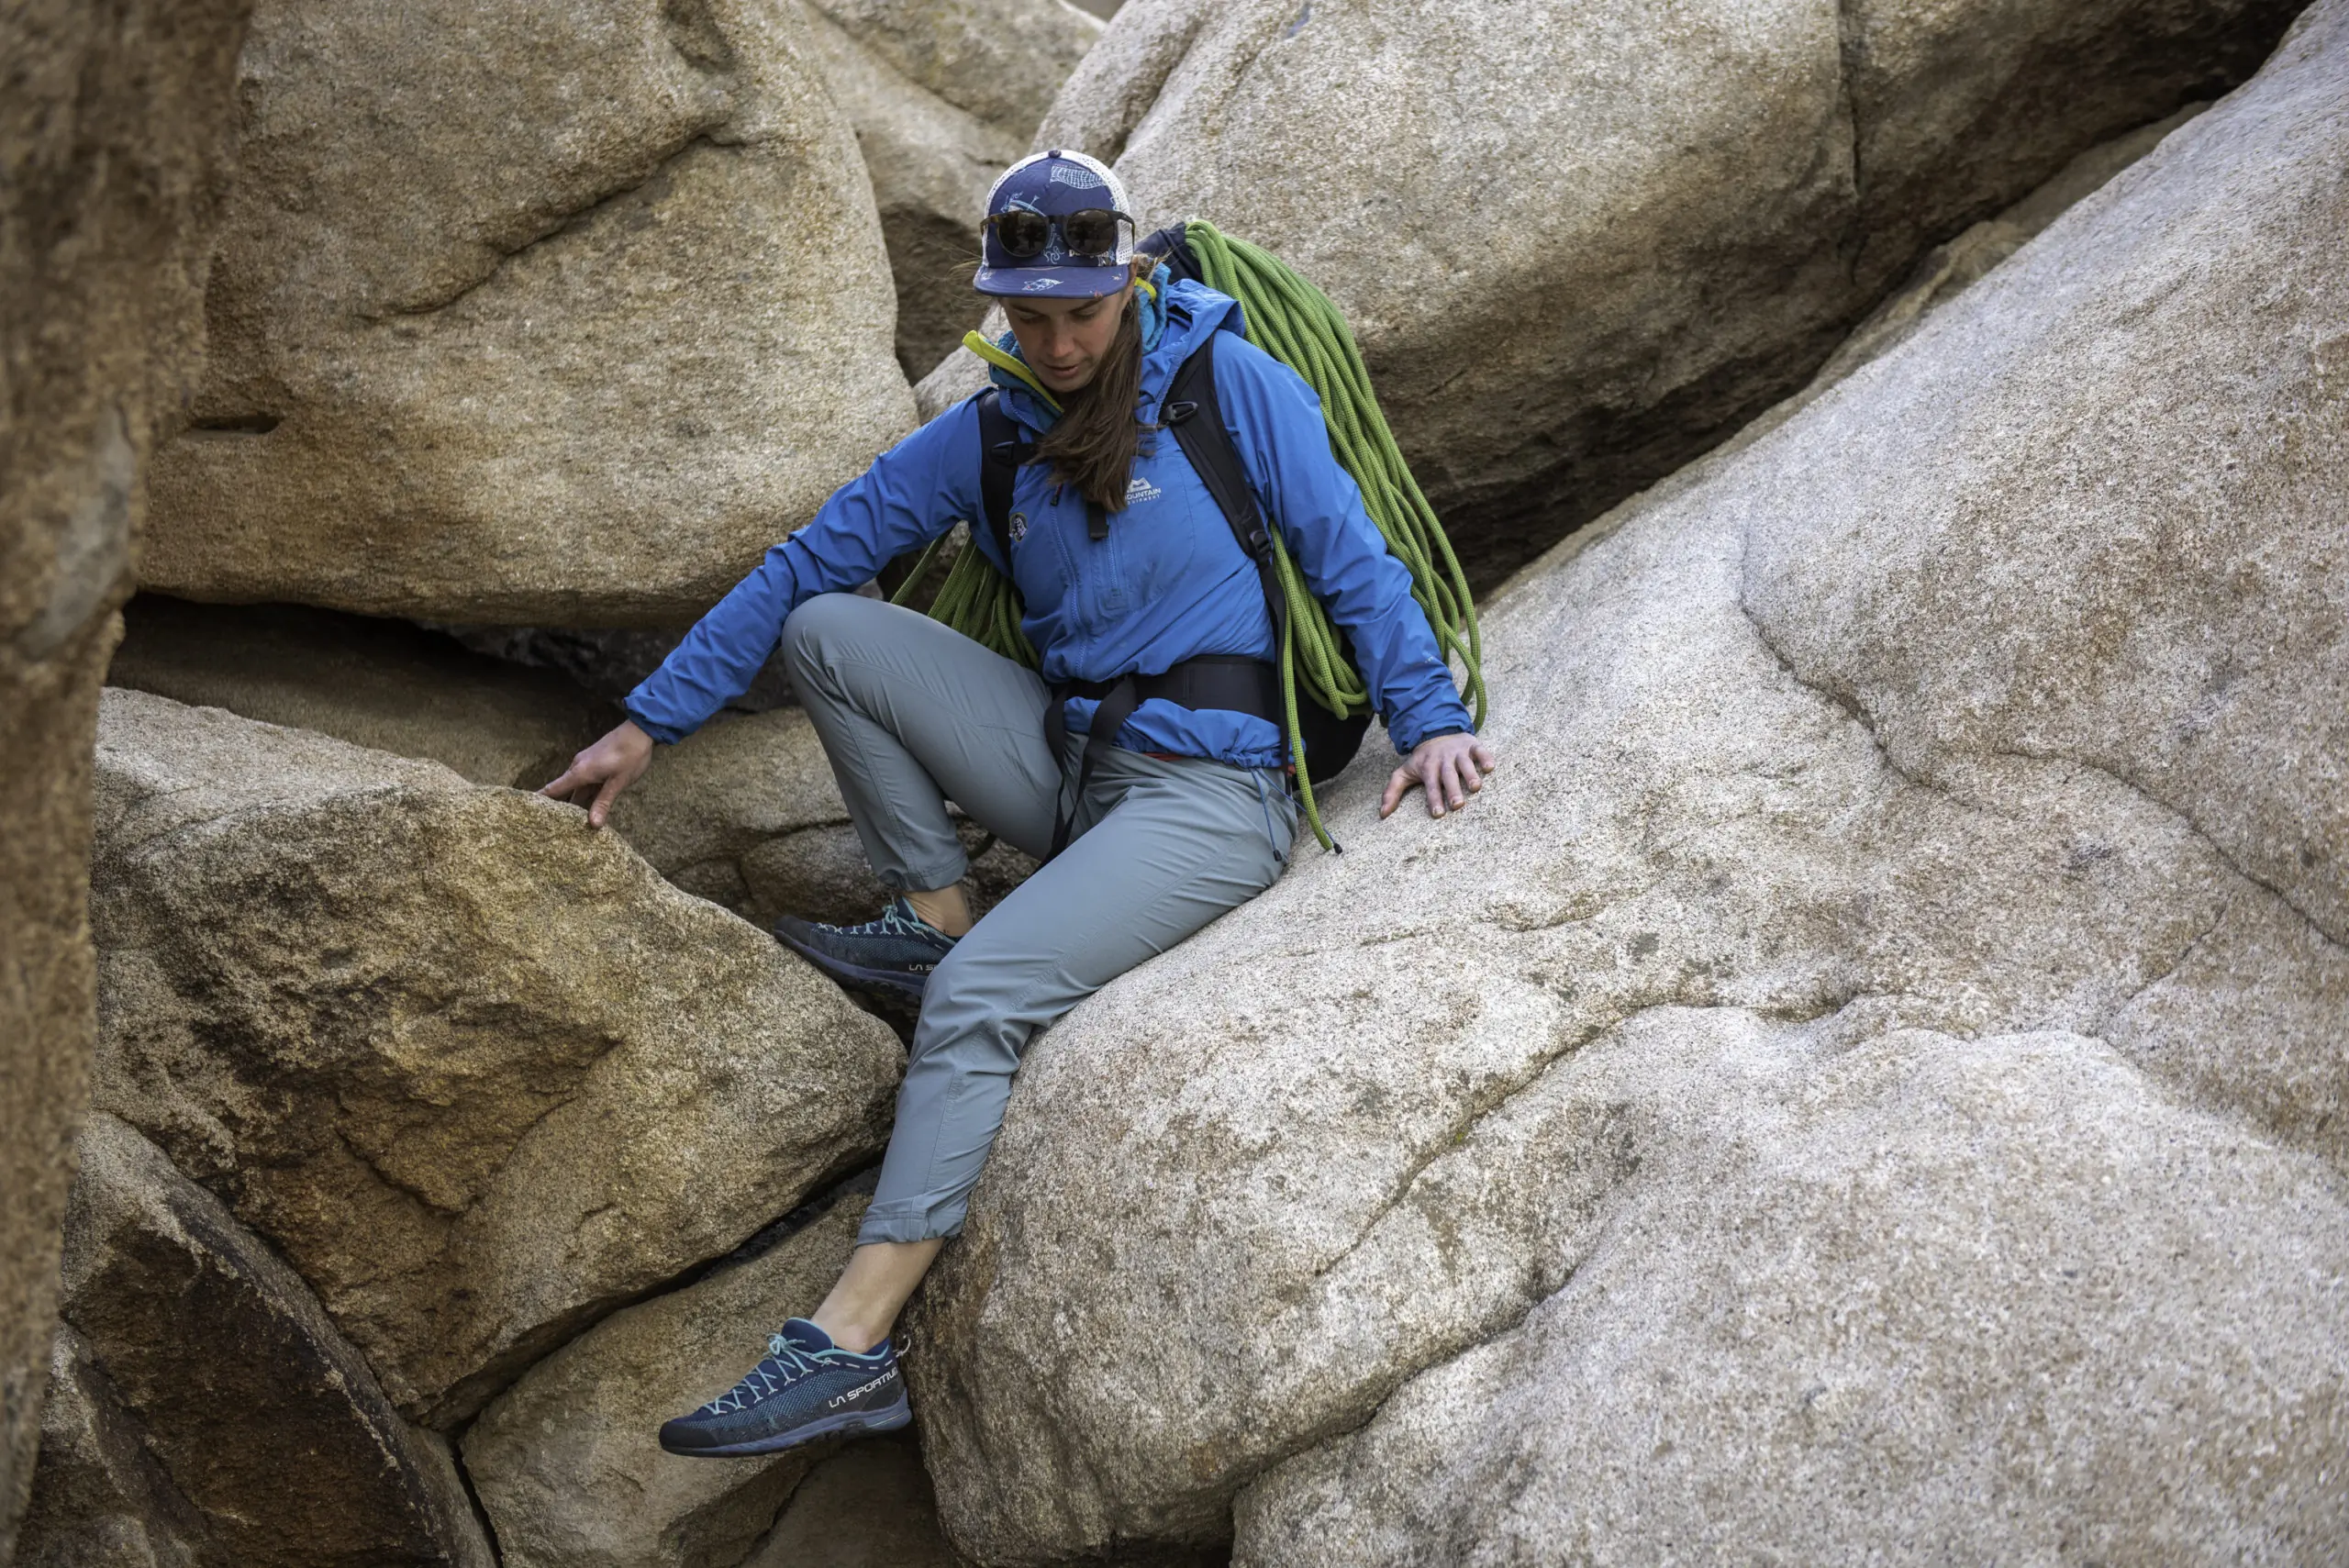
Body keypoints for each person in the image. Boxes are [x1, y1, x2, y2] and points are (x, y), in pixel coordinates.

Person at [540, 150, 1497, 1458]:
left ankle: (848, 1349)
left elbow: (1352, 560)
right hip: (1074, 776)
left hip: (1211, 802)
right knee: (831, 626)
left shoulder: (1227, 386)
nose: (1053, 342)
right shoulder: (991, 430)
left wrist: (1431, 725)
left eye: (1080, 313)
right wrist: (647, 721)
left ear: (1129, 285)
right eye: (1026, 314)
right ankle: (933, 905)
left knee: (985, 996)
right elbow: (808, 557)